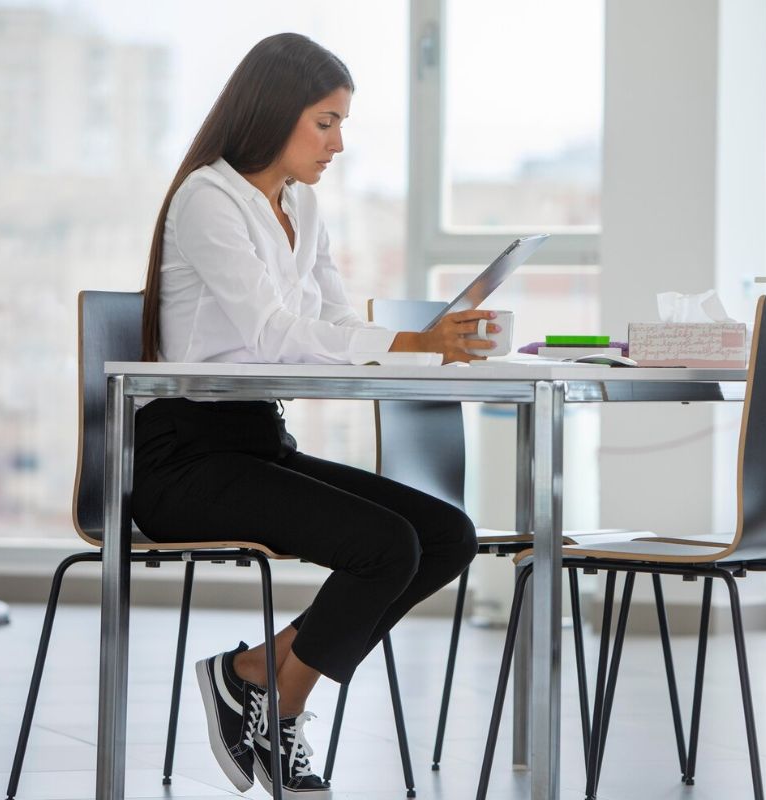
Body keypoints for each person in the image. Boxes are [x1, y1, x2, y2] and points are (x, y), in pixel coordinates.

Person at [132, 33, 485, 798]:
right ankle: (276, 709)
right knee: (386, 546)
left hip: (259, 442)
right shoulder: (207, 199)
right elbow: (274, 334)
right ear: (273, 113)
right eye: (325, 122)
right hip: (184, 461)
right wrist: (408, 342)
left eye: (341, 123)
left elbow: (328, 325)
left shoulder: (303, 206)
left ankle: (255, 678)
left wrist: (430, 350)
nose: (339, 143)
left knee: (448, 535)